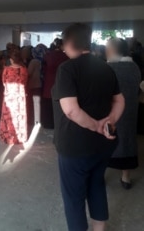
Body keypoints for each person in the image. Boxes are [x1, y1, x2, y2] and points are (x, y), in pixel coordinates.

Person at [52, 23, 125, 231]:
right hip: (104, 145)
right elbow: (120, 101)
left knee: (74, 197)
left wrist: (95, 126)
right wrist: (109, 123)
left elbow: (71, 111)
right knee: (96, 185)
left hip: (76, 146)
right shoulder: (105, 66)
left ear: (69, 43)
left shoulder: (67, 69)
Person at [106, 38, 141, 189]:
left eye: (108, 48)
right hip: (131, 111)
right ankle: (125, 177)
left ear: (113, 50)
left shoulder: (108, 68)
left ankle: (100, 175)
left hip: (111, 111)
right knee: (127, 141)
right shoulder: (134, 67)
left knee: (108, 141)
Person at [0, 49, 28, 144]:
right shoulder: (24, 69)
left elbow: (3, 82)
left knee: (9, 115)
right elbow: (25, 82)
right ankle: (20, 137)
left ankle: (8, 137)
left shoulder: (6, 69)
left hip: (9, 96)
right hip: (20, 96)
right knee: (19, 115)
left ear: (11, 59)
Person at [42, 38, 68, 129]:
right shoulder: (65, 56)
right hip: (60, 83)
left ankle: (47, 124)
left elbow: (43, 70)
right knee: (59, 106)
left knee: (48, 105)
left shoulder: (47, 55)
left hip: (48, 83)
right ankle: (57, 124)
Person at [27, 44, 47, 126]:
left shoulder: (34, 61)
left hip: (33, 84)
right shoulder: (43, 60)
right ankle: (38, 120)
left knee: (34, 103)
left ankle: (35, 120)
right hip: (41, 84)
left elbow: (29, 73)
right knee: (38, 102)